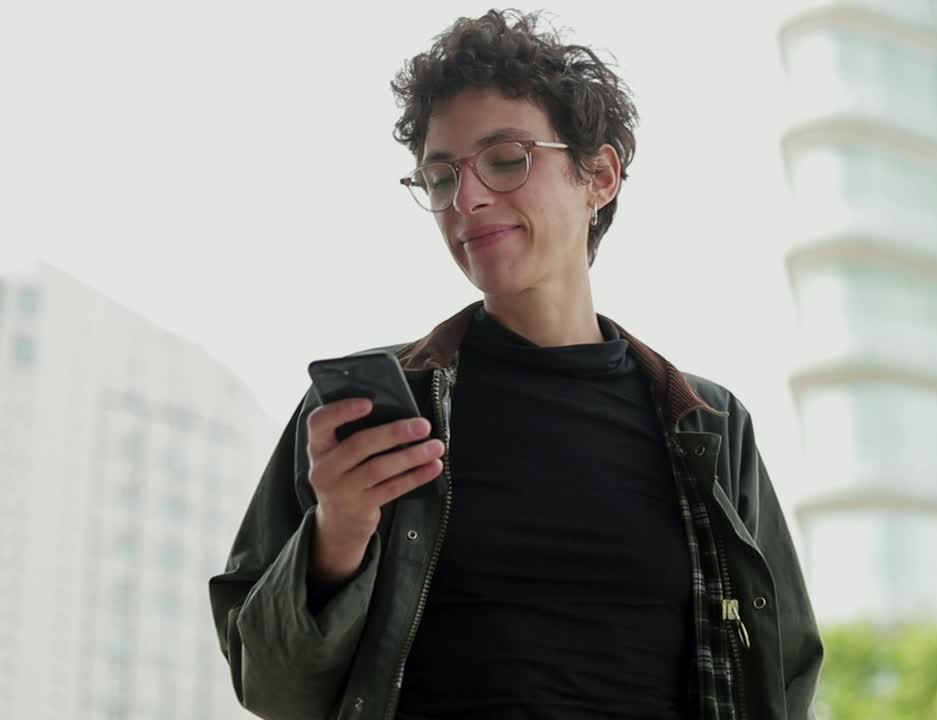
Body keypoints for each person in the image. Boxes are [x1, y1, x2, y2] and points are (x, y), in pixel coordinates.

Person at [209, 9, 822, 720]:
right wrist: (337, 531)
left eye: (506, 159)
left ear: (599, 176)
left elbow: (779, 677)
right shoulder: (366, 414)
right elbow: (271, 690)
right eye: (440, 177)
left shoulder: (711, 427)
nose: (466, 200)